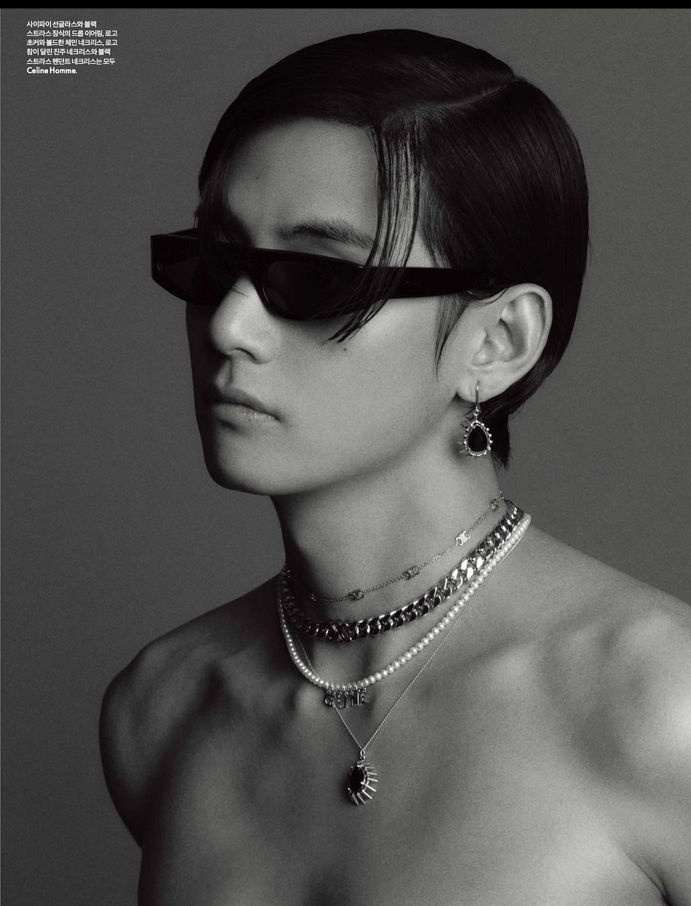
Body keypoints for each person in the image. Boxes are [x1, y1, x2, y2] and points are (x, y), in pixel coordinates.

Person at [99, 28, 691, 905]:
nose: (228, 326)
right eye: (216, 263)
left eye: (315, 275)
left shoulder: (659, 706)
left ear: (497, 342)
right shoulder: (164, 710)